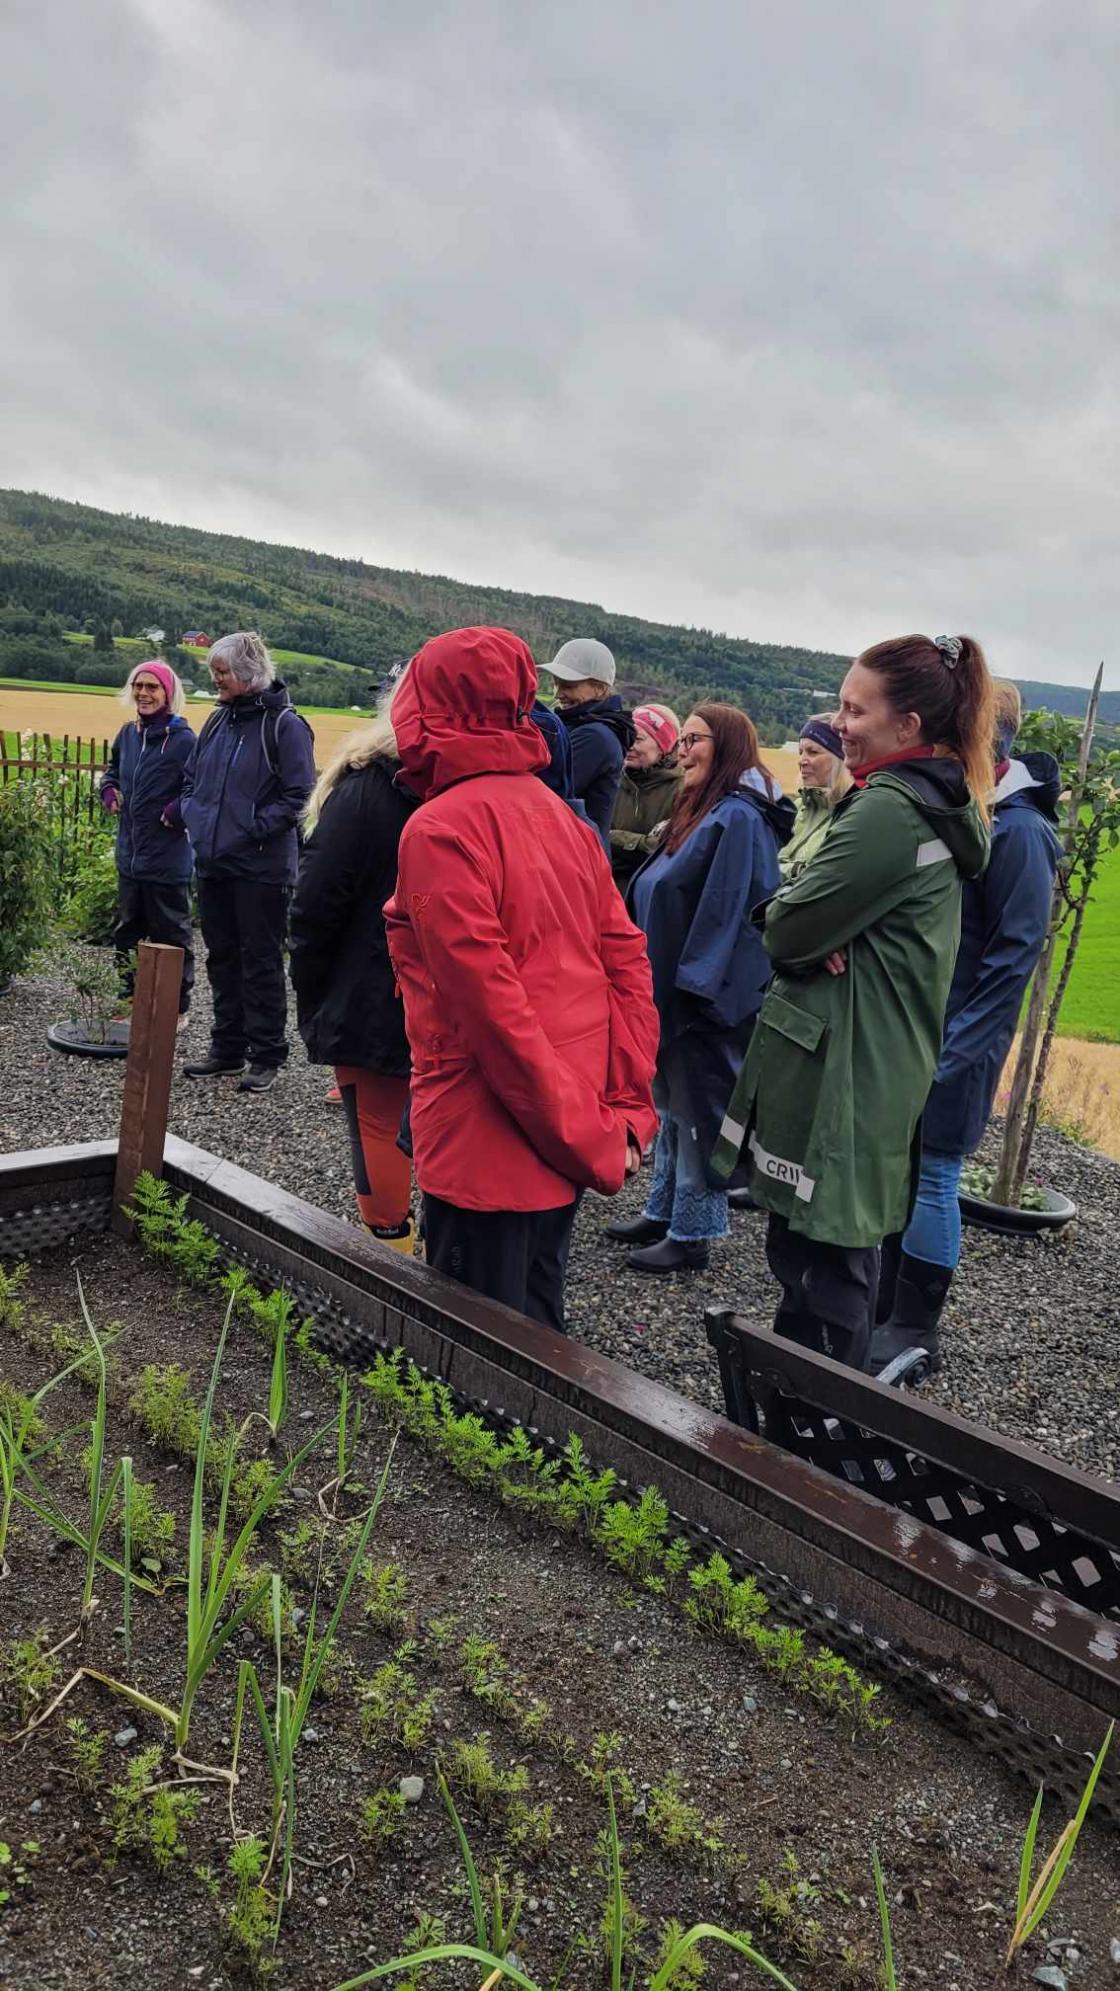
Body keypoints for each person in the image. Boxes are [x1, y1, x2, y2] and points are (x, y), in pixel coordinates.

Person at [710, 633, 993, 1372]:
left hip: (848, 1063)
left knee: (824, 1253)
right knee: (828, 1245)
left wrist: (791, 923)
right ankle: (809, 1409)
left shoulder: (886, 813)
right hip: (881, 1061)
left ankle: (822, 1427)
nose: (838, 721)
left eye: (854, 709)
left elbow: (791, 922)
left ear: (909, 728)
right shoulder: (932, 803)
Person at [384, 625, 659, 1330]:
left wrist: (599, 1135)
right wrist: (622, 1113)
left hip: (485, 1143)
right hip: (562, 1134)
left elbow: (493, 1017)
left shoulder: (439, 829)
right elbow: (626, 962)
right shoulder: (562, 818)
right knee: (540, 1337)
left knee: (474, 1371)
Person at [871, 680, 1061, 1372]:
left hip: (960, 1044)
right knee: (904, 1168)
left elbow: (1013, 957)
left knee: (935, 1174)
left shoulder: (1022, 831)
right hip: (921, 1031)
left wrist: (959, 1052)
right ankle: (885, 1302)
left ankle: (917, 1326)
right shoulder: (972, 815)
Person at [605, 705, 792, 1272]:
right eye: (681, 738)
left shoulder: (737, 820)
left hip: (700, 1001)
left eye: (694, 739)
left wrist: (695, 994)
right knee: (671, 1107)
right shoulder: (701, 810)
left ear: (728, 745)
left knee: (699, 1113)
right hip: (668, 993)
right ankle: (662, 1210)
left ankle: (693, 1233)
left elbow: (731, 914)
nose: (682, 748)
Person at [289, 687, 418, 1253]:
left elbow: (316, 903)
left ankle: (392, 1257)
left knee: (376, 1124)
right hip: (458, 987)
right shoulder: (486, 788)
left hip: (373, 985)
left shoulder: (368, 786)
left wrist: (313, 988)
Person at [177, 632, 315, 1093]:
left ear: (249, 672)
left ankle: (267, 1054)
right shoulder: (217, 722)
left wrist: (249, 829)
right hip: (215, 863)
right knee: (221, 958)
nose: (215, 678)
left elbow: (300, 797)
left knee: (259, 961)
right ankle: (227, 1049)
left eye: (222, 671)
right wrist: (195, 817)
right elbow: (192, 779)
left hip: (261, 869)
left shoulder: (285, 726)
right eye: (215, 670)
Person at [98, 660, 195, 1022]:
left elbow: (197, 791)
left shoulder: (184, 741)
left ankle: (175, 1008)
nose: (143, 693)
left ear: (168, 693)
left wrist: (176, 809)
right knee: (127, 933)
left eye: (152, 687)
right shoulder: (127, 735)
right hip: (131, 858)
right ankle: (129, 1001)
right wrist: (108, 790)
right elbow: (111, 772)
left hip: (167, 860)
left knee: (172, 937)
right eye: (138, 685)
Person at [544, 638, 635, 848]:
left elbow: (545, 791)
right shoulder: (581, 726)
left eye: (568, 685)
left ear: (600, 689)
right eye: (556, 683)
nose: (558, 694)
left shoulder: (595, 737)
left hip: (576, 856)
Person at [609, 703, 684, 888]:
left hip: (649, 894)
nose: (630, 745)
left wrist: (612, 838)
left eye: (638, 739)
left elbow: (666, 848)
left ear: (663, 746)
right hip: (607, 891)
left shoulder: (682, 788)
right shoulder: (612, 779)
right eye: (627, 737)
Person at [780, 715, 853, 880]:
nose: (802, 761)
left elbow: (820, 878)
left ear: (840, 759)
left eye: (813, 752)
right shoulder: (799, 806)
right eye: (801, 752)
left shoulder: (852, 813)